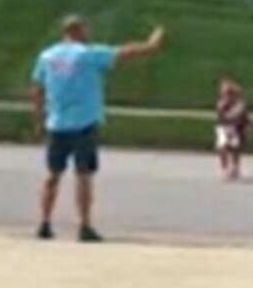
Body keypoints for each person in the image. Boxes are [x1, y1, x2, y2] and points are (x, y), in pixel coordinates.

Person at [28, 16, 165, 242]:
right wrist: (151, 44)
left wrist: (38, 118)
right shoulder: (87, 55)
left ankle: (44, 222)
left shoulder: (47, 56)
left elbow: (37, 88)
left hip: (57, 123)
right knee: (84, 176)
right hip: (84, 123)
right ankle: (84, 225)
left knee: (53, 175)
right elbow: (124, 53)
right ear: (79, 31)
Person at [215, 75, 252, 181]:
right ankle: (225, 168)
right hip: (224, 127)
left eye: (228, 93)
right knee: (222, 148)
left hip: (235, 128)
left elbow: (244, 117)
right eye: (224, 93)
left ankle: (235, 167)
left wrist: (247, 126)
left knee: (235, 149)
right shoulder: (222, 104)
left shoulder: (240, 104)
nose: (225, 95)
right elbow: (223, 115)